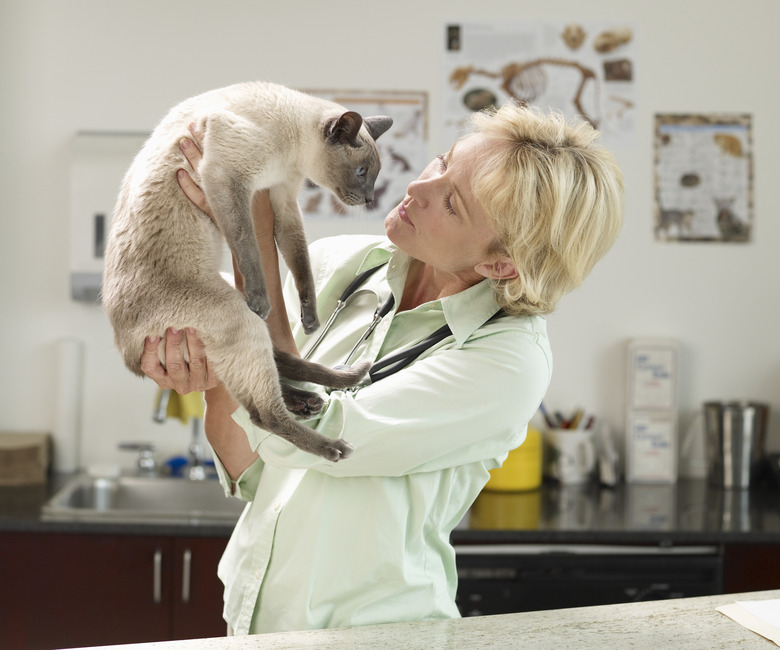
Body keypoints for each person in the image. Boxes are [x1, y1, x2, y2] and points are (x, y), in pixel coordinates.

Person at [141, 101, 623, 635]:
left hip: (375, 637)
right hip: (254, 621)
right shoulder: (339, 264)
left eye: (452, 202)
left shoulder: (508, 361)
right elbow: (256, 471)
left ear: (501, 263)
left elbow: (301, 431)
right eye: (440, 163)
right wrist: (216, 375)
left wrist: (251, 230)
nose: (417, 189)